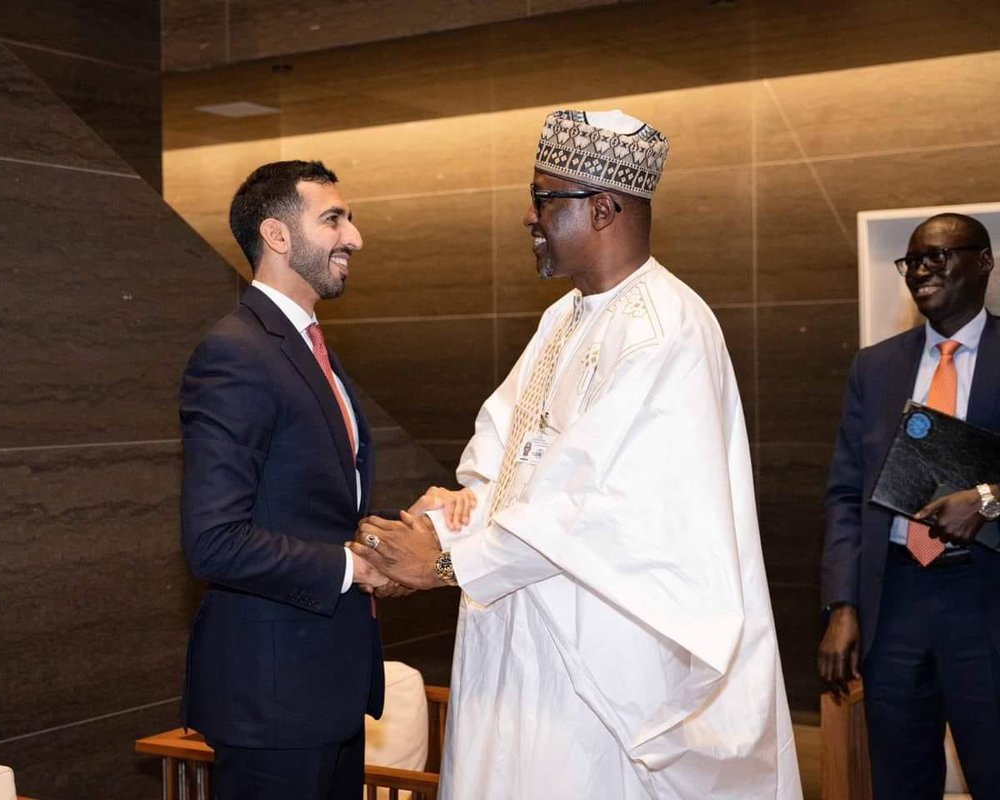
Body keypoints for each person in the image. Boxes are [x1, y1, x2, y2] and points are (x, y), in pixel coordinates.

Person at [351, 110, 801, 799]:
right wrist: (436, 525)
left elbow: (594, 510)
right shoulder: (563, 318)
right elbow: (498, 462)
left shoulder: (669, 331)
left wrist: (443, 564)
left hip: (603, 661)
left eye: (543, 198)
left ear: (603, 208)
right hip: (518, 624)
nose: (528, 217)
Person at [179, 160, 390, 800]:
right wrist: (354, 568)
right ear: (276, 236)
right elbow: (214, 540)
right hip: (274, 702)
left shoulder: (305, 346)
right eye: (332, 218)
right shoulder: (237, 352)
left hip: (324, 690)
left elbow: (313, 506)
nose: (353, 237)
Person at [819, 212, 1000, 799]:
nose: (922, 270)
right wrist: (844, 606)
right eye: (913, 260)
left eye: (939, 256)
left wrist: (988, 501)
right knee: (898, 783)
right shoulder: (875, 367)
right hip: (893, 602)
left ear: (985, 262)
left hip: (984, 601)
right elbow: (847, 493)